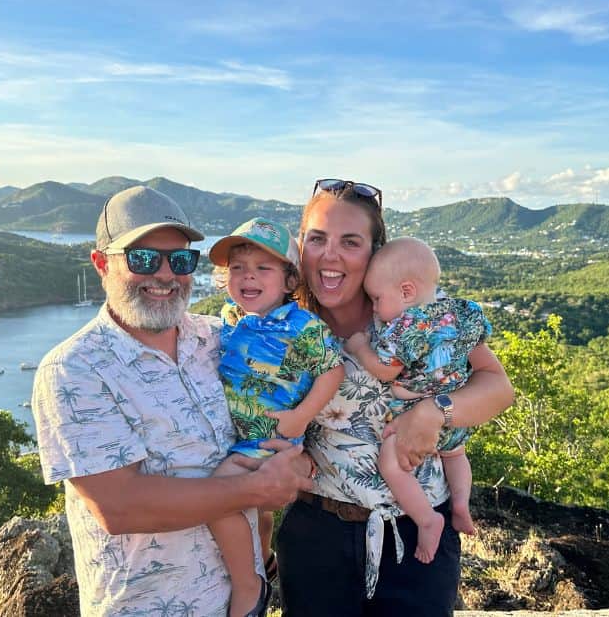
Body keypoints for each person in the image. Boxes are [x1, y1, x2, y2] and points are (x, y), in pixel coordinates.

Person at [31, 186, 313, 617]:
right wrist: (257, 488)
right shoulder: (74, 369)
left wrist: (296, 457)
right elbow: (120, 506)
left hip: (241, 602)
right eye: (143, 259)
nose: (165, 275)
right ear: (101, 264)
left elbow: (292, 386)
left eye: (180, 260)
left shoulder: (217, 339)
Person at [275, 179, 515, 617]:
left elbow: (498, 387)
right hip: (316, 536)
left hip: (417, 539)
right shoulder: (284, 324)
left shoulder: (418, 316)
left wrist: (437, 411)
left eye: (350, 241)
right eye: (317, 239)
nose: (330, 255)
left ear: (374, 253)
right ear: (301, 247)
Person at [205, 217, 345, 617]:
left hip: (267, 440)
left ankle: (248, 586)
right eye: (237, 268)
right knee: (260, 513)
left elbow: (333, 370)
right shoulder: (230, 317)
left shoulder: (302, 325)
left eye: (262, 268)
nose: (248, 277)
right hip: (242, 434)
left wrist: (302, 417)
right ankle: (264, 559)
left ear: (288, 281)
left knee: (219, 498)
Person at [344, 236, 490, 564]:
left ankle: (428, 518)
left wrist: (359, 348)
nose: (375, 307)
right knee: (455, 456)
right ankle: (461, 503)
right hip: (454, 412)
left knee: (391, 465)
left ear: (406, 292)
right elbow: (477, 340)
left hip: (412, 413)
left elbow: (385, 370)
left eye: (377, 298)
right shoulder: (459, 311)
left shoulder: (406, 326)